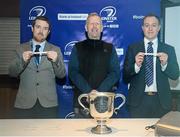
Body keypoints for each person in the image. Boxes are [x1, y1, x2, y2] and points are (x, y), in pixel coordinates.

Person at [123, 13, 179, 118]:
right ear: (142, 28)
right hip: (138, 102)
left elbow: (175, 75)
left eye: (153, 25)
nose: (150, 29)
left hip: (161, 102)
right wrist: (136, 66)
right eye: (147, 25)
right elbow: (125, 77)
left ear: (159, 28)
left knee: (161, 134)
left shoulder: (168, 49)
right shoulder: (133, 48)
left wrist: (165, 64)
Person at [8, 16, 66, 118]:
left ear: (48, 32)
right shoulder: (20, 49)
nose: (41, 31)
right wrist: (22, 60)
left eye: (45, 28)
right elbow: (12, 73)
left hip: (48, 104)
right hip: (24, 104)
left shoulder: (55, 50)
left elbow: (62, 75)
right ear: (32, 28)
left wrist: (56, 60)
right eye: (38, 27)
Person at [68, 12, 120, 118]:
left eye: (97, 24)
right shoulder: (77, 47)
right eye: (91, 24)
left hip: (104, 102)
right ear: (86, 27)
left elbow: (115, 73)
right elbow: (73, 72)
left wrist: (98, 93)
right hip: (82, 103)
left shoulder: (110, 48)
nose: (94, 26)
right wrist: (89, 92)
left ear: (101, 28)